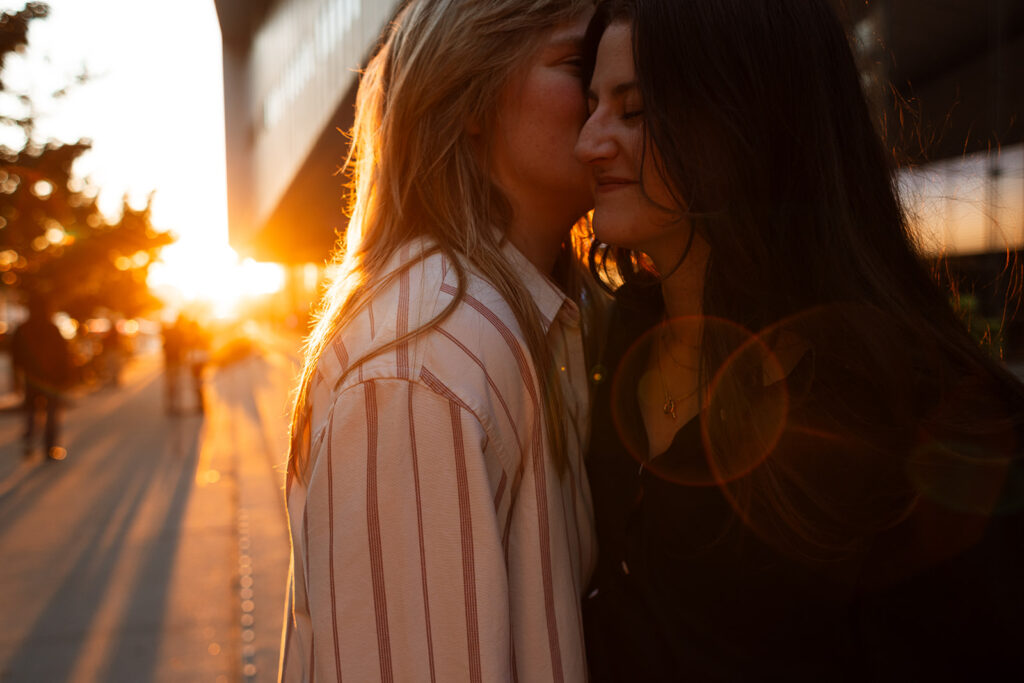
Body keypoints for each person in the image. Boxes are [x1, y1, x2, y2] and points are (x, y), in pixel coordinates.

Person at [574, 0, 1024, 680]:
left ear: (747, 123)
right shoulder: (610, 345)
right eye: (591, 105)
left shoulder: (917, 411)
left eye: (634, 111)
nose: (589, 142)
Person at [278, 0, 597, 680]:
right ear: (470, 96)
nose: (608, 99)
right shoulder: (421, 366)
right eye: (578, 65)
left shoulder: (510, 324)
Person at [12, 295, 72, 461]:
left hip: (31, 379)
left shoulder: (22, 328)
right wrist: (66, 377)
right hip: (52, 380)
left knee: (31, 412)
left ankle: (29, 444)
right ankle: (50, 448)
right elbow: (64, 355)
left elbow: (16, 357)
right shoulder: (52, 329)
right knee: (51, 413)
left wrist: (16, 378)